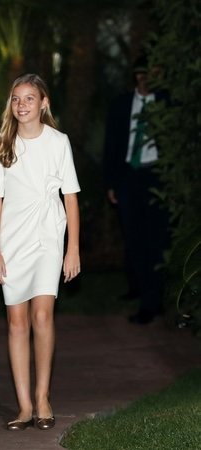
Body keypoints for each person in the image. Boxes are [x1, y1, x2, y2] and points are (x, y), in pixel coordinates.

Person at [0, 73, 80, 431]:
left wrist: (72, 249)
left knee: (42, 316)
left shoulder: (58, 142)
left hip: (48, 237)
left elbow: (70, 198)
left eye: (29, 98)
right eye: (16, 99)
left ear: (44, 103)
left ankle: (43, 398)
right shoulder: (1, 144)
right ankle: (24, 405)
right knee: (16, 321)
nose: (22, 105)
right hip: (12, 241)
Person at [103, 55, 169, 325]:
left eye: (151, 73)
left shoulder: (168, 103)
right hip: (129, 176)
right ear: (135, 76)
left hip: (158, 177)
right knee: (134, 240)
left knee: (157, 240)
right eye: (141, 73)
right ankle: (144, 292)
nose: (145, 79)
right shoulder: (122, 104)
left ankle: (152, 302)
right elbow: (111, 145)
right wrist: (110, 183)